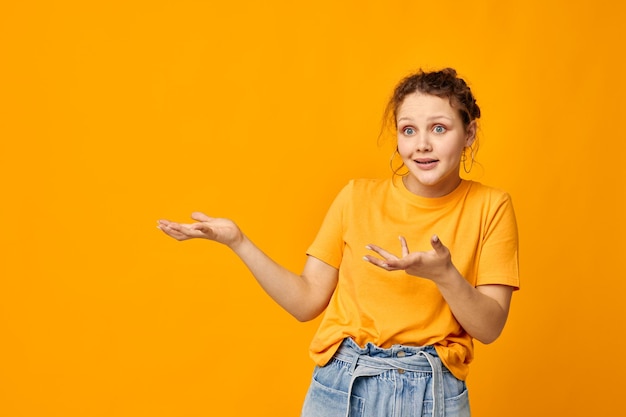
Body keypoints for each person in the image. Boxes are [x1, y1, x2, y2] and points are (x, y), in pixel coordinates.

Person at [157, 68, 520, 417]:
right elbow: (306, 301)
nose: (422, 145)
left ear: (469, 133)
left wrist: (445, 275)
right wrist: (238, 241)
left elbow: (489, 328)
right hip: (344, 385)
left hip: (433, 390)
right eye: (408, 130)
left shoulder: (491, 206)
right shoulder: (355, 198)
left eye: (439, 128)